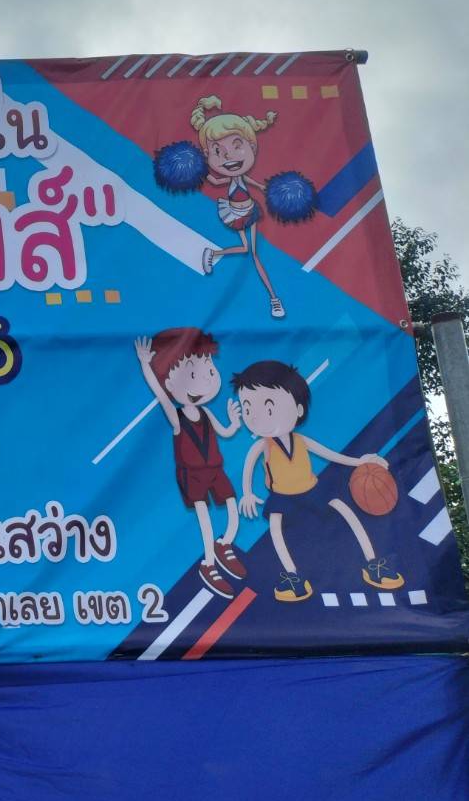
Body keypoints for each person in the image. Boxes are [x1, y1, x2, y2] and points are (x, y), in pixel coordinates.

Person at [233, 360, 401, 601]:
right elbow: (248, 467)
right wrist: (247, 493)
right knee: (275, 527)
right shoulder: (263, 445)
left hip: (311, 488)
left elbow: (332, 455)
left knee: (345, 510)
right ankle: (294, 578)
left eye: (268, 408)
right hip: (282, 495)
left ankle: (373, 565)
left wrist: (360, 461)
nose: (257, 417)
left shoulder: (302, 441)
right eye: (248, 409)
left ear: (299, 410)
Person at [134, 329, 246, 598]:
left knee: (233, 507)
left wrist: (234, 423)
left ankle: (224, 543)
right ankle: (209, 564)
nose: (205, 380)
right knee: (205, 519)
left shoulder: (206, 412)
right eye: (193, 375)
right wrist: (146, 365)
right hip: (192, 475)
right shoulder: (177, 417)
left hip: (215, 470)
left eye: (209, 371)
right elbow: (160, 395)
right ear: (171, 383)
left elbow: (225, 432)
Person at [189, 95, 286, 318]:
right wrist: (198, 169)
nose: (227, 156)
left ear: (251, 146)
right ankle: (274, 299)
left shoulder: (241, 177)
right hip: (235, 213)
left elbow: (255, 183)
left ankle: (214, 254)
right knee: (250, 253)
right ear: (208, 155)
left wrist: (267, 188)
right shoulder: (231, 179)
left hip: (251, 210)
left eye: (236, 146)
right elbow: (215, 181)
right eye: (217, 151)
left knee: (250, 252)